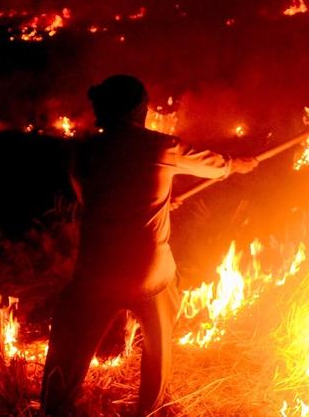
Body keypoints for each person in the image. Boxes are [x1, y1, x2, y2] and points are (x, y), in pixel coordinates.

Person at [41, 75, 258, 415]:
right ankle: (152, 407)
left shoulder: (85, 153)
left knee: (69, 345)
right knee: (159, 337)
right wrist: (238, 164)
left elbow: (94, 201)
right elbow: (215, 167)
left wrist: (154, 200)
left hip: (97, 270)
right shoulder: (161, 147)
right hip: (148, 272)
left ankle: (55, 405)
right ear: (138, 109)